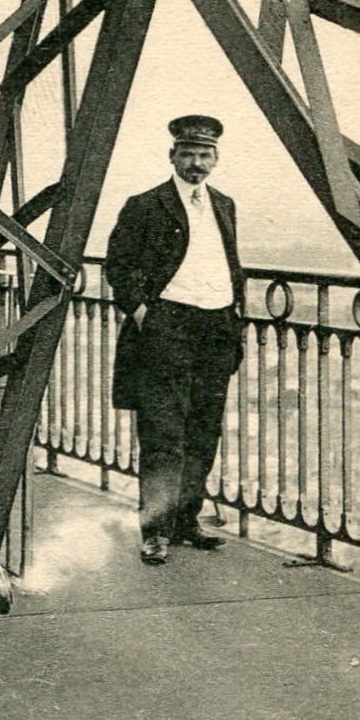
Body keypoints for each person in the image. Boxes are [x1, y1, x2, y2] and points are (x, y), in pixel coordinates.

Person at [105, 115, 247, 567]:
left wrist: (234, 318)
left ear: (216, 159)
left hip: (216, 328)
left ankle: (186, 520)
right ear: (173, 156)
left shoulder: (223, 204)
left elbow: (230, 263)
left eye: (205, 155)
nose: (196, 163)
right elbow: (118, 266)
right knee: (164, 432)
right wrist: (144, 314)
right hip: (168, 326)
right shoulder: (145, 205)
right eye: (188, 154)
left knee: (204, 429)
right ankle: (156, 531)